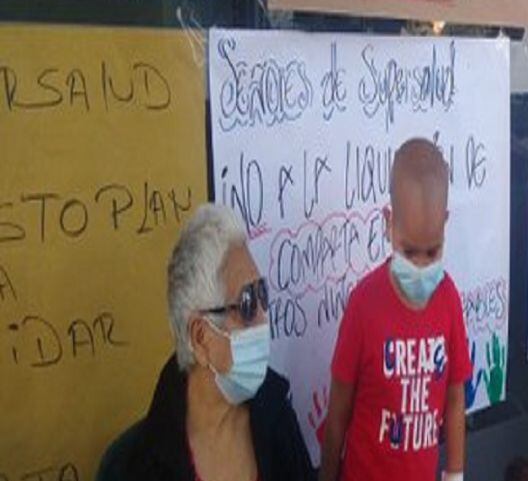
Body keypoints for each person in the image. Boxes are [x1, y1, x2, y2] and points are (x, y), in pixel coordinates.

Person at [100, 203, 315, 481]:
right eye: (248, 303)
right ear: (200, 338)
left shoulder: (277, 418)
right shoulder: (131, 466)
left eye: (263, 295)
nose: (264, 320)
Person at [320, 138, 469, 481]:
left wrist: (455, 474)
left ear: (445, 223)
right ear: (389, 223)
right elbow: (338, 410)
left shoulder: (449, 301)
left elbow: (455, 396)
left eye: (432, 252)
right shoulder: (364, 304)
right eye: (409, 250)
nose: (419, 264)